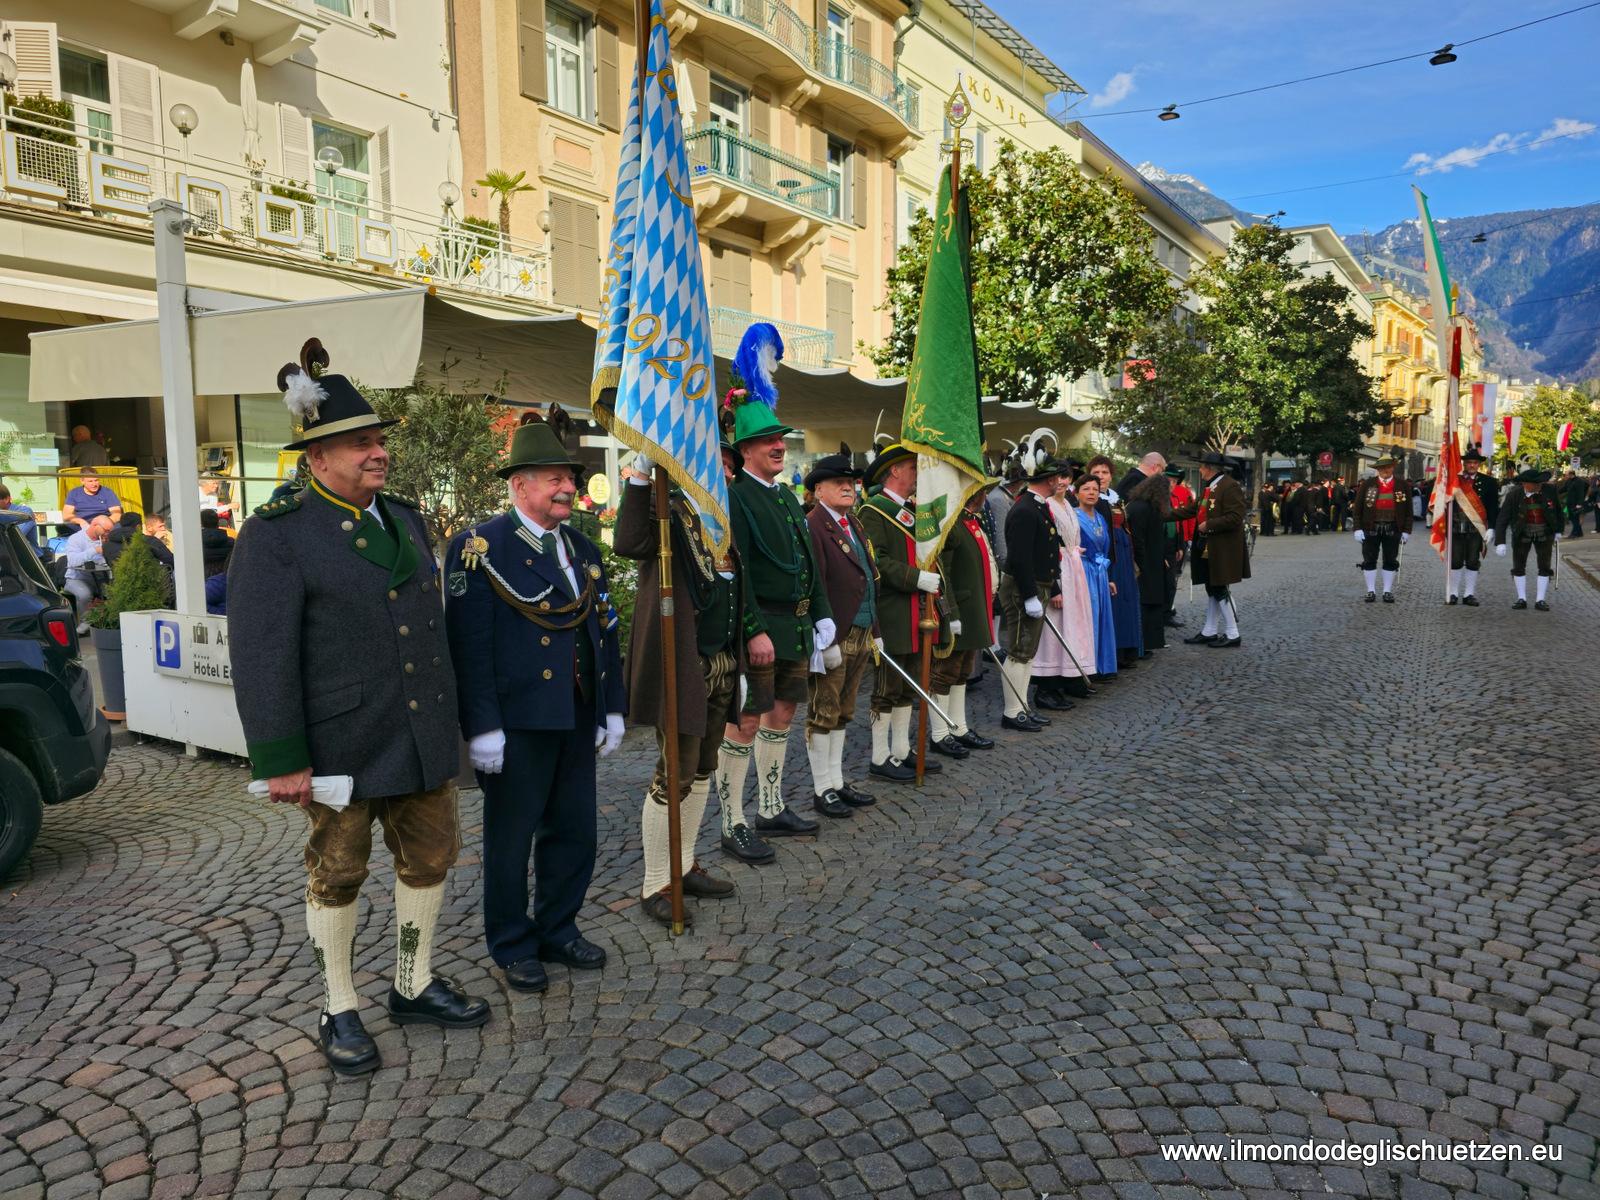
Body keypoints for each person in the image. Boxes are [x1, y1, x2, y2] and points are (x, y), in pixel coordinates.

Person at [229, 339, 489, 1076]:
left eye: (378, 441)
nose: (378, 454)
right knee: (338, 871)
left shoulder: (404, 519)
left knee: (432, 857)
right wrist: (282, 757)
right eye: (360, 444)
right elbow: (261, 653)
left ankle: (412, 983)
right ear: (316, 458)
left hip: (419, 732)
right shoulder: (278, 534)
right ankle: (338, 1004)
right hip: (342, 741)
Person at [445, 408, 624, 990]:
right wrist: (481, 726)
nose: (569, 487)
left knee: (575, 830)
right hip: (518, 720)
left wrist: (610, 706)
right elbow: (468, 644)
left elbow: (603, 631)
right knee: (510, 836)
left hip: (573, 713)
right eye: (555, 478)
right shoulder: (481, 546)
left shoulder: (582, 547)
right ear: (520, 485)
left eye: (569, 478)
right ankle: (512, 942)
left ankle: (558, 927)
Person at [614, 436, 745, 924]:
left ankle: (685, 863)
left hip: (722, 663)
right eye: (720, 466)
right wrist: (641, 477)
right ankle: (656, 882)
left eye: (730, 467)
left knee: (705, 767)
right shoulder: (666, 511)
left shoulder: (722, 520)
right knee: (676, 772)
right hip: (683, 664)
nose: (726, 474)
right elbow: (628, 543)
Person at [717, 366, 834, 847]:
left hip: (796, 627)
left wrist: (822, 613)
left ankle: (770, 807)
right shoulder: (735, 497)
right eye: (767, 440)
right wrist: (751, 630)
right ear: (745, 451)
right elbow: (735, 571)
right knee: (744, 722)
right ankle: (732, 823)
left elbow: (808, 561)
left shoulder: (786, 497)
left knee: (782, 715)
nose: (779, 446)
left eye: (780, 438)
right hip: (760, 627)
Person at [802, 448, 885, 815]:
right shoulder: (814, 525)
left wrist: (876, 629)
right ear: (818, 490)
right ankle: (822, 789)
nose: (849, 488)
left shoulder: (854, 524)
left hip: (862, 629)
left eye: (851, 483)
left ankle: (836, 780)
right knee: (824, 709)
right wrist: (826, 640)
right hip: (834, 632)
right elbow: (813, 583)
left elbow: (869, 578)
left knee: (845, 710)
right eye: (839, 483)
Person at [860, 443, 941, 779]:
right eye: (911, 467)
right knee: (887, 687)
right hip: (893, 609)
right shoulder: (873, 510)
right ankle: (880, 758)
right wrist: (916, 578)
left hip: (915, 609)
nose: (915, 473)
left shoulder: (909, 509)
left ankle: (901, 750)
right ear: (893, 471)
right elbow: (876, 561)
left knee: (908, 685)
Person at [998, 447, 1068, 730]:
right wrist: (1029, 595)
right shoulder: (1026, 509)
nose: (1062, 483)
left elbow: (1046, 552)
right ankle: (1013, 711)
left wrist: (1050, 588)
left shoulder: (1036, 505)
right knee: (1018, 650)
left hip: (1037, 586)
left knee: (1027, 652)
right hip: (1022, 588)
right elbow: (1020, 557)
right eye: (1059, 478)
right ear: (1050, 479)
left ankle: (1022, 705)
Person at [929, 488, 999, 757]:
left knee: (962, 672)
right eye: (980, 491)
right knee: (944, 672)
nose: (984, 496)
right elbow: (942, 573)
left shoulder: (971, 520)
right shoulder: (952, 525)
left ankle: (958, 727)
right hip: (958, 609)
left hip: (973, 608)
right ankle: (939, 733)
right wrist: (950, 613)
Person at [1028, 472, 1094, 707]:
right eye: (1058, 478)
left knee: (1072, 626)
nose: (1062, 482)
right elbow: (1047, 547)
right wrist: (1055, 587)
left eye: (1066, 478)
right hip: (1057, 570)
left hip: (1073, 569)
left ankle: (1069, 677)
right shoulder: (1046, 506)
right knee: (1054, 629)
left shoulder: (1068, 503)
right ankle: (1046, 687)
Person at [1183, 452, 1248, 648]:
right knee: (1212, 588)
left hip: (1223, 547)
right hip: (1209, 546)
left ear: (1210, 468)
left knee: (1219, 588)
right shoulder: (1211, 486)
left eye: (1202, 467)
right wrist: (1163, 515)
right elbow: (1193, 510)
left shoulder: (1229, 486)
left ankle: (1232, 633)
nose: (1200, 470)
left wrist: (1208, 524)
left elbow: (1236, 517)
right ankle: (1209, 631)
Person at [1087, 457, 1144, 669]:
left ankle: (1128, 647)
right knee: (1112, 601)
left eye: (1105, 472)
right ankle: (1113, 652)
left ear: (1111, 476)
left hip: (1124, 551)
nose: (1101, 476)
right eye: (1097, 472)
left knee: (1127, 599)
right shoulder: (1090, 498)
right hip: (1106, 551)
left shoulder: (1116, 498)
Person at [1126, 472, 1179, 651]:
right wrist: (1143, 563)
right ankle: (1147, 642)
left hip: (1151, 559)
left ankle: (1149, 642)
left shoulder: (1140, 506)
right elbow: (1139, 540)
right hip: (1147, 561)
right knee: (1148, 601)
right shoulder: (1145, 508)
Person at [1494, 468, 1560, 610]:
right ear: (1525, 484)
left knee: (1544, 566)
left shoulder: (1550, 490)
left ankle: (1540, 600)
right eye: (1535, 484)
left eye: (1540, 483)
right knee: (1518, 566)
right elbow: (1502, 518)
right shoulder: (1513, 495)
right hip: (1521, 533)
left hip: (1545, 532)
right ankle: (1521, 598)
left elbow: (1558, 511)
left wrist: (1559, 530)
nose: (1539, 486)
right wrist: (1500, 542)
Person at [1073, 476, 1118, 679]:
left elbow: (1105, 550)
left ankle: (1101, 665)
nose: (1091, 492)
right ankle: (1085, 667)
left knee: (1101, 618)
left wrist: (1108, 578)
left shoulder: (1100, 517)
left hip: (1099, 573)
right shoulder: (1073, 516)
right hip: (1082, 572)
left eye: (1095, 489)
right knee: (1087, 620)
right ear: (1076, 493)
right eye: (1086, 488)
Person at [1352, 456, 1411, 603]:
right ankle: (1370, 590)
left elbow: (1408, 511)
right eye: (1382, 467)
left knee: (1390, 560)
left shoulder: (1402, 485)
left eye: (1388, 467)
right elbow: (1357, 509)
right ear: (1377, 469)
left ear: (1393, 467)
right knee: (1369, 559)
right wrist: (1357, 529)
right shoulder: (1367, 484)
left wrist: (1406, 530)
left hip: (1393, 528)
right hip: (1371, 528)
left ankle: (1387, 591)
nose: (1385, 470)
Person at [1447, 448, 1499, 607]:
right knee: (1455, 561)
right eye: (1469, 462)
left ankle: (1469, 594)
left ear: (1479, 464)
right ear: (1464, 463)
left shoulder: (1489, 482)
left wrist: (1492, 527)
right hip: (1455, 526)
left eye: (1475, 462)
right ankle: (1453, 593)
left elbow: (1492, 507)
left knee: (1472, 561)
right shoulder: (1454, 480)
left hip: (1476, 528)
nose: (1471, 465)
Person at [62, 515, 113, 632]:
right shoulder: (76, 539)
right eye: (106, 530)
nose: (108, 533)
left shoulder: (106, 539)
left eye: (110, 531)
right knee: (84, 594)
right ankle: (85, 624)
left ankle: (108, 623)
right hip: (76, 578)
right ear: (95, 525)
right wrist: (95, 550)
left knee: (114, 593)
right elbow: (73, 561)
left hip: (100, 578)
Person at [1165, 465, 1193, 628]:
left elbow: (1185, 520)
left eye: (1174, 481)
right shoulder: (1160, 497)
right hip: (1166, 543)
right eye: (1169, 480)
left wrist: (1185, 541)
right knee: (1168, 581)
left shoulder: (1180, 496)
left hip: (1177, 541)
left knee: (1174, 578)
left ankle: (1169, 609)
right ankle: (1166, 611)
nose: (1171, 483)